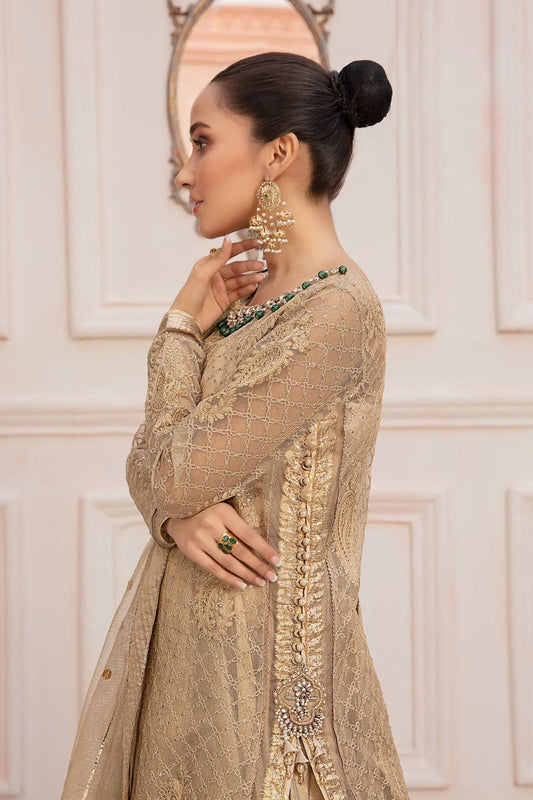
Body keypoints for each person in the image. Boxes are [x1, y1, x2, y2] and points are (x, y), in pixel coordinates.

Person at [60, 52, 410, 800]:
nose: (185, 174)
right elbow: (167, 477)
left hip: (270, 702)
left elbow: (167, 470)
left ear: (278, 153)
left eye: (203, 142)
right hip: (187, 674)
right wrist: (176, 516)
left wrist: (179, 330)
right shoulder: (246, 301)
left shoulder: (334, 312)